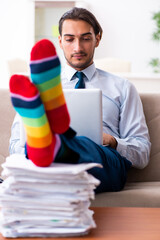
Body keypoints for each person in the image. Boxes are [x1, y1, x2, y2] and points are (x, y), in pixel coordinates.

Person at [9, 7, 151, 193]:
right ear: (60, 41)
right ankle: (54, 145)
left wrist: (113, 141)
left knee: (80, 145)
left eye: (85, 38)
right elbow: (15, 145)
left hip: (103, 162)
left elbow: (142, 152)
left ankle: (53, 143)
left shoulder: (122, 87)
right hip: (50, 169)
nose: (77, 47)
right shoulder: (39, 89)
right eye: (69, 39)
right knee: (46, 149)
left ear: (97, 39)